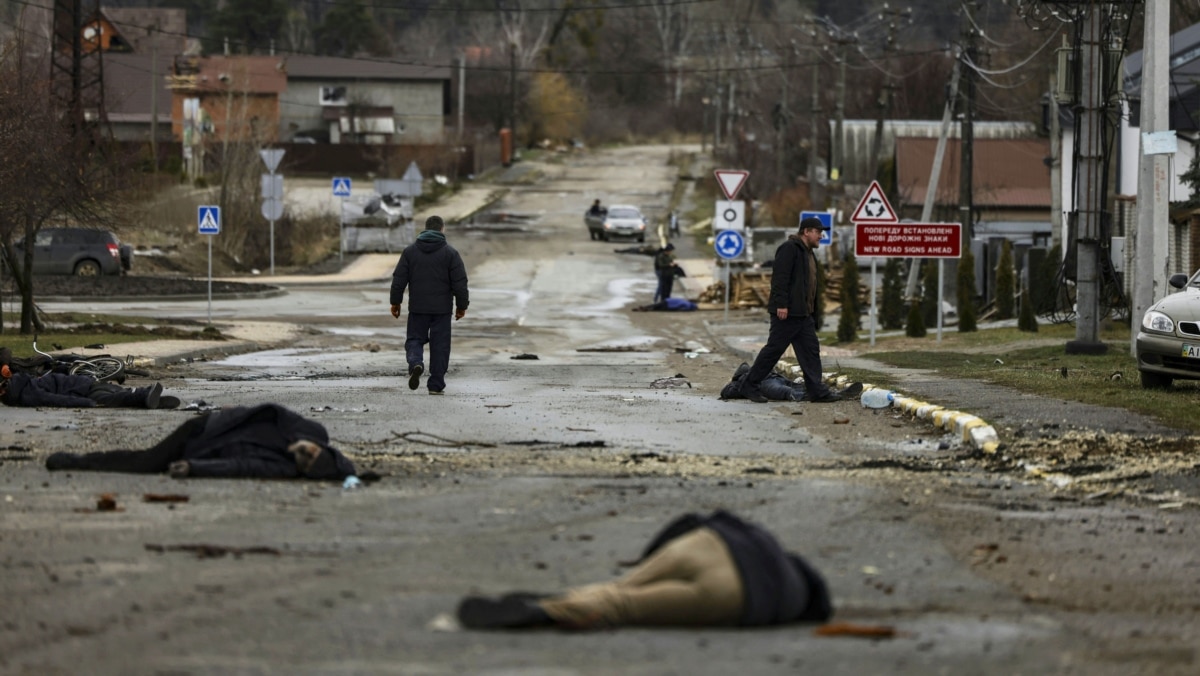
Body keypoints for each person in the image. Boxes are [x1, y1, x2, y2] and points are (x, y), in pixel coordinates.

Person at [456, 510, 832, 630]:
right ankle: (549, 611)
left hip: (706, 542)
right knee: (627, 607)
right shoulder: (791, 599)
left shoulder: (767, 542)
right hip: (734, 591)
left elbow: (690, 520)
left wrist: (649, 560)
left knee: (622, 587)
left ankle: (586, 593)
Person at [44, 403, 356, 480]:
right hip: (206, 428)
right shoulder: (312, 431)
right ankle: (76, 461)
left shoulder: (285, 468)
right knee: (147, 462)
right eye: (312, 454)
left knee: (148, 462)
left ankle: (78, 461)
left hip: (203, 447)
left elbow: (240, 466)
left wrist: (194, 467)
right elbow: (280, 413)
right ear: (319, 448)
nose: (303, 457)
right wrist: (299, 440)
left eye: (306, 464)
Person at [740, 217, 849, 404]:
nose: (821, 235)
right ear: (806, 231)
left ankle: (817, 391)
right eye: (818, 231)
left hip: (802, 314)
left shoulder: (807, 253)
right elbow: (780, 278)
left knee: (811, 351)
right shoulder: (789, 248)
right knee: (773, 351)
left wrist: (812, 312)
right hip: (788, 313)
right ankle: (749, 385)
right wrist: (782, 304)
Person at [390, 215, 470, 395]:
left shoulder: (410, 252)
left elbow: (398, 280)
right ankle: (436, 384)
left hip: (418, 308)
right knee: (440, 345)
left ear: (425, 229)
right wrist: (461, 306)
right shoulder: (450, 253)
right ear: (442, 229)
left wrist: (395, 302)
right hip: (442, 310)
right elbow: (460, 283)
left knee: (414, 339)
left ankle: (416, 363)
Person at [1, 365, 179, 409]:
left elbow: (57, 400)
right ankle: (149, 400)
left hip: (85, 392)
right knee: (119, 393)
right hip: (86, 382)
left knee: (112, 400)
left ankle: (144, 394)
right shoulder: (24, 380)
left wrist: (85, 403)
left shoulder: (26, 394)